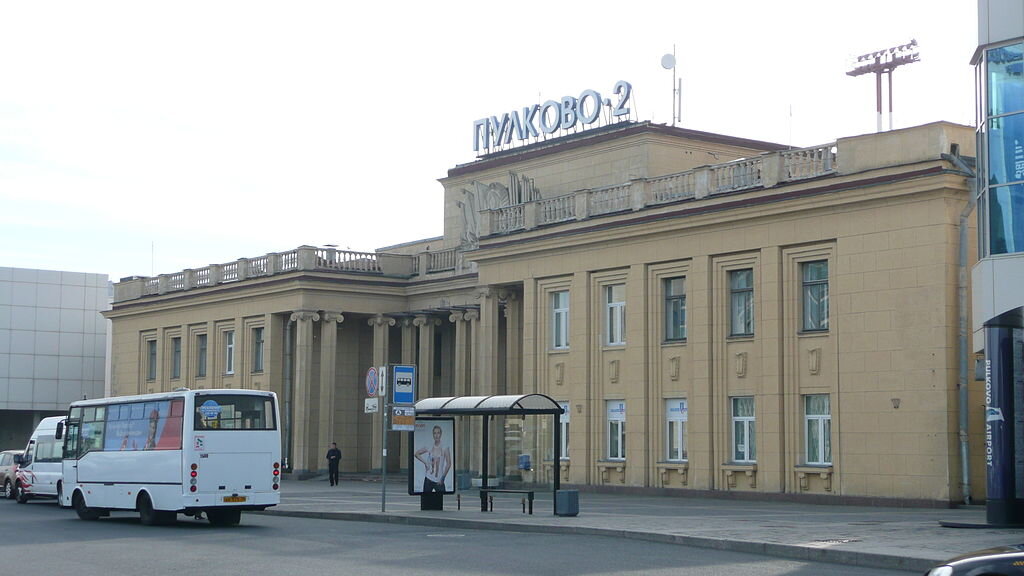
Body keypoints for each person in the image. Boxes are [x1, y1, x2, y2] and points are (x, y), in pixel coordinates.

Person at [414, 425, 451, 493]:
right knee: (426, 498)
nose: (436, 435)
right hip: (428, 479)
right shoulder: (430, 446)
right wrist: (425, 462)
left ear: (441, 434)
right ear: (433, 435)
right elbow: (416, 454)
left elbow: (448, 464)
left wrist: (443, 478)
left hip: (439, 480)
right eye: (434, 433)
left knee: (440, 498)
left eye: (438, 433)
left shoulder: (445, 447)